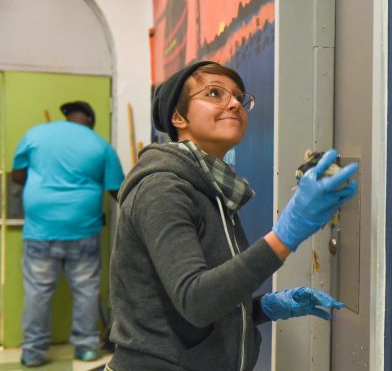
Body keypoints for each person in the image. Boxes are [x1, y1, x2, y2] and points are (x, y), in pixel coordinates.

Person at [106, 61, 358, 371]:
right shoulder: (162, 188)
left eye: (240, 97)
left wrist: (261, 308)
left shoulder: (213, 188)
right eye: (214, 93)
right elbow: (196, 301)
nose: (235, 103)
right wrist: (285, 235)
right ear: (178, 116)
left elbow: (193, 307)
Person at [11, 101, 125, 367]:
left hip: (41, 229)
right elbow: (116, 190)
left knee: (38, 291)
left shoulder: (35, 134)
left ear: (68, 117)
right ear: (89, 120)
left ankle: (32, 352)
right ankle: (86, 348)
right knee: (86, 289)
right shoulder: (100, 145)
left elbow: (17, 177)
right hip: (83, 228)